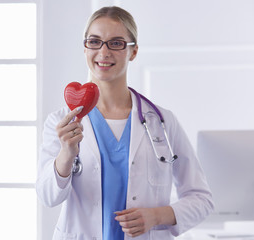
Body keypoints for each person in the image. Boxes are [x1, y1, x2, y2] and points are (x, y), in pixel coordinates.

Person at [36, 6, 214, 240]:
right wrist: (66, 154)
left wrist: (157, 216)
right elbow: (48, 197)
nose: (104, 51)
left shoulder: (162, 121)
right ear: (85, 47)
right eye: (95, 41)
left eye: (116, 43)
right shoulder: (60, 122)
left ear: (133, 51)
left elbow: (201, 199)